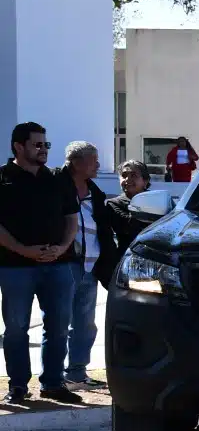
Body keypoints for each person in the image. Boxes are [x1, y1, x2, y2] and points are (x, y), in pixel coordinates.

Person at [0, 123, 81, 404]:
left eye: (46, 145)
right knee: (16, 328)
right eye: (37, 145)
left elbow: (72, 219)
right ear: (18, 147)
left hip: (58, 265)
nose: (44, 150)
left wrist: (61, 248)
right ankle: (19, 386)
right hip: (15, 267)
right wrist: (24, 250)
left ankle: (53, 383)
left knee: (59, 326)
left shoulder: (58, 178)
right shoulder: (3, 177)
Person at [60, 141, 124, 386]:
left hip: (90, 267)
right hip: (64, 265)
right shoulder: (57, 187)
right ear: (76, 162)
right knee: (57, 323)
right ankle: (53, 378)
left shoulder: (95, 193)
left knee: (84, 323)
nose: (98, 165)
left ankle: (76, 373)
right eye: (93, 160)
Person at [105, 160, 154, 252]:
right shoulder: (113, 204)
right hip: (128, 257)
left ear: (145, 181)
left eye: (133, 175)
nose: (127, 179)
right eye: (124, 176)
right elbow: (128, 227)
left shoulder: (160, 200)